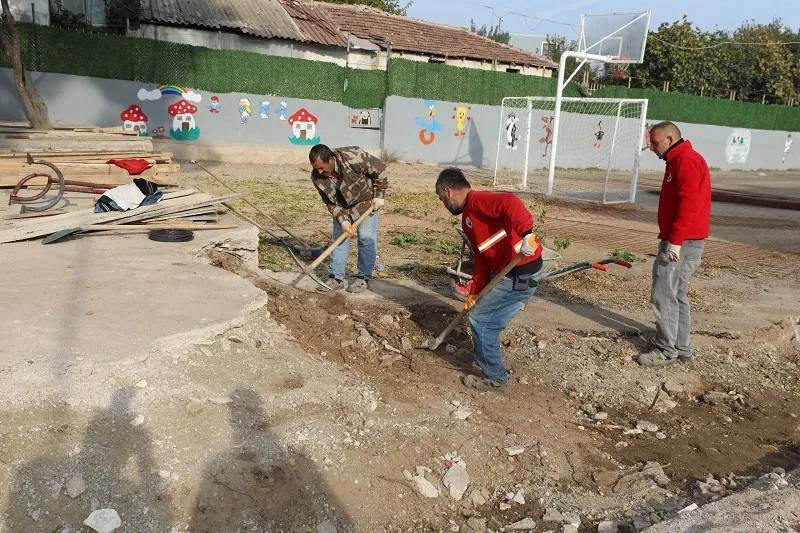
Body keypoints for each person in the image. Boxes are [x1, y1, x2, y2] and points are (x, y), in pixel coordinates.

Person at [435, 168, 543, 393]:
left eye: (441, 198)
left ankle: (495, 379)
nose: (443, 204)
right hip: (504, 272)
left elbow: (510, 201)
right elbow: (481, 259)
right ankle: (486, 356)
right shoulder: (468, 221)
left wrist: (527, 233)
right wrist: (475, 290)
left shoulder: (479, 201)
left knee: (481, 321)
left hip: (520, 274)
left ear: (448, 191)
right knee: (480, 315)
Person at [637, 121, 711, 368]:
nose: (652, 147)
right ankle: (681, 347)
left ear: (670, 139)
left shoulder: (686, 161)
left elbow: (688, 203)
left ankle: (666, 350)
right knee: (676, 294)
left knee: (664, 294)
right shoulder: (678, 160)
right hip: (683, 240)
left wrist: (675, 242)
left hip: (682, 242)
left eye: (655, 142)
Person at [309, 144, 388, 293]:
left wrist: (379, 195)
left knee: (365, 238)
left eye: (322, 167)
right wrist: (343, 220)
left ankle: (362, 278)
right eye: (316, 168)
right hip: (342, 207)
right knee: (339, 239)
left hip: (366, 203)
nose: (319, 171)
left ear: (331, 159)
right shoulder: (317, 177)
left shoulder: (354, 157)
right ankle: (336, 278)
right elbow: (329, 202)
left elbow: (381, 169)